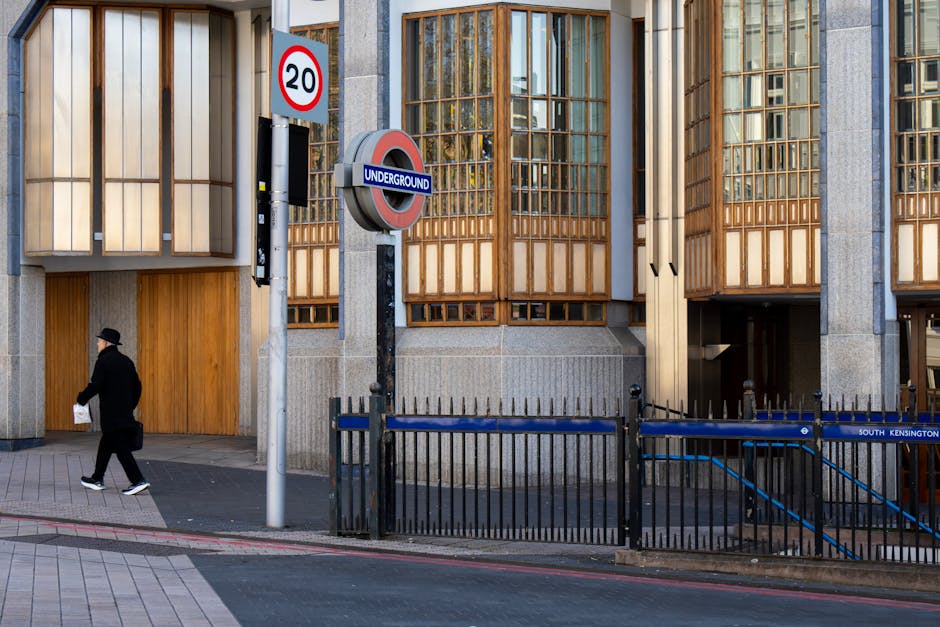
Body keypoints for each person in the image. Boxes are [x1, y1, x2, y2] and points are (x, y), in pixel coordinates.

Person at [76, 327, 150, 495]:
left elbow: (96, 385)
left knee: (121, 447)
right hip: (124, 413)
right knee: (106, 444)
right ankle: (97, 478)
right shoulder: (126, 361)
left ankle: (138, 480)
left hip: (111, 415)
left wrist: (81, 398)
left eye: (100, 340)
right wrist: (130, 405)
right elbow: (138, 386)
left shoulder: (104, 361)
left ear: (107, 343)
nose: (97, 343)